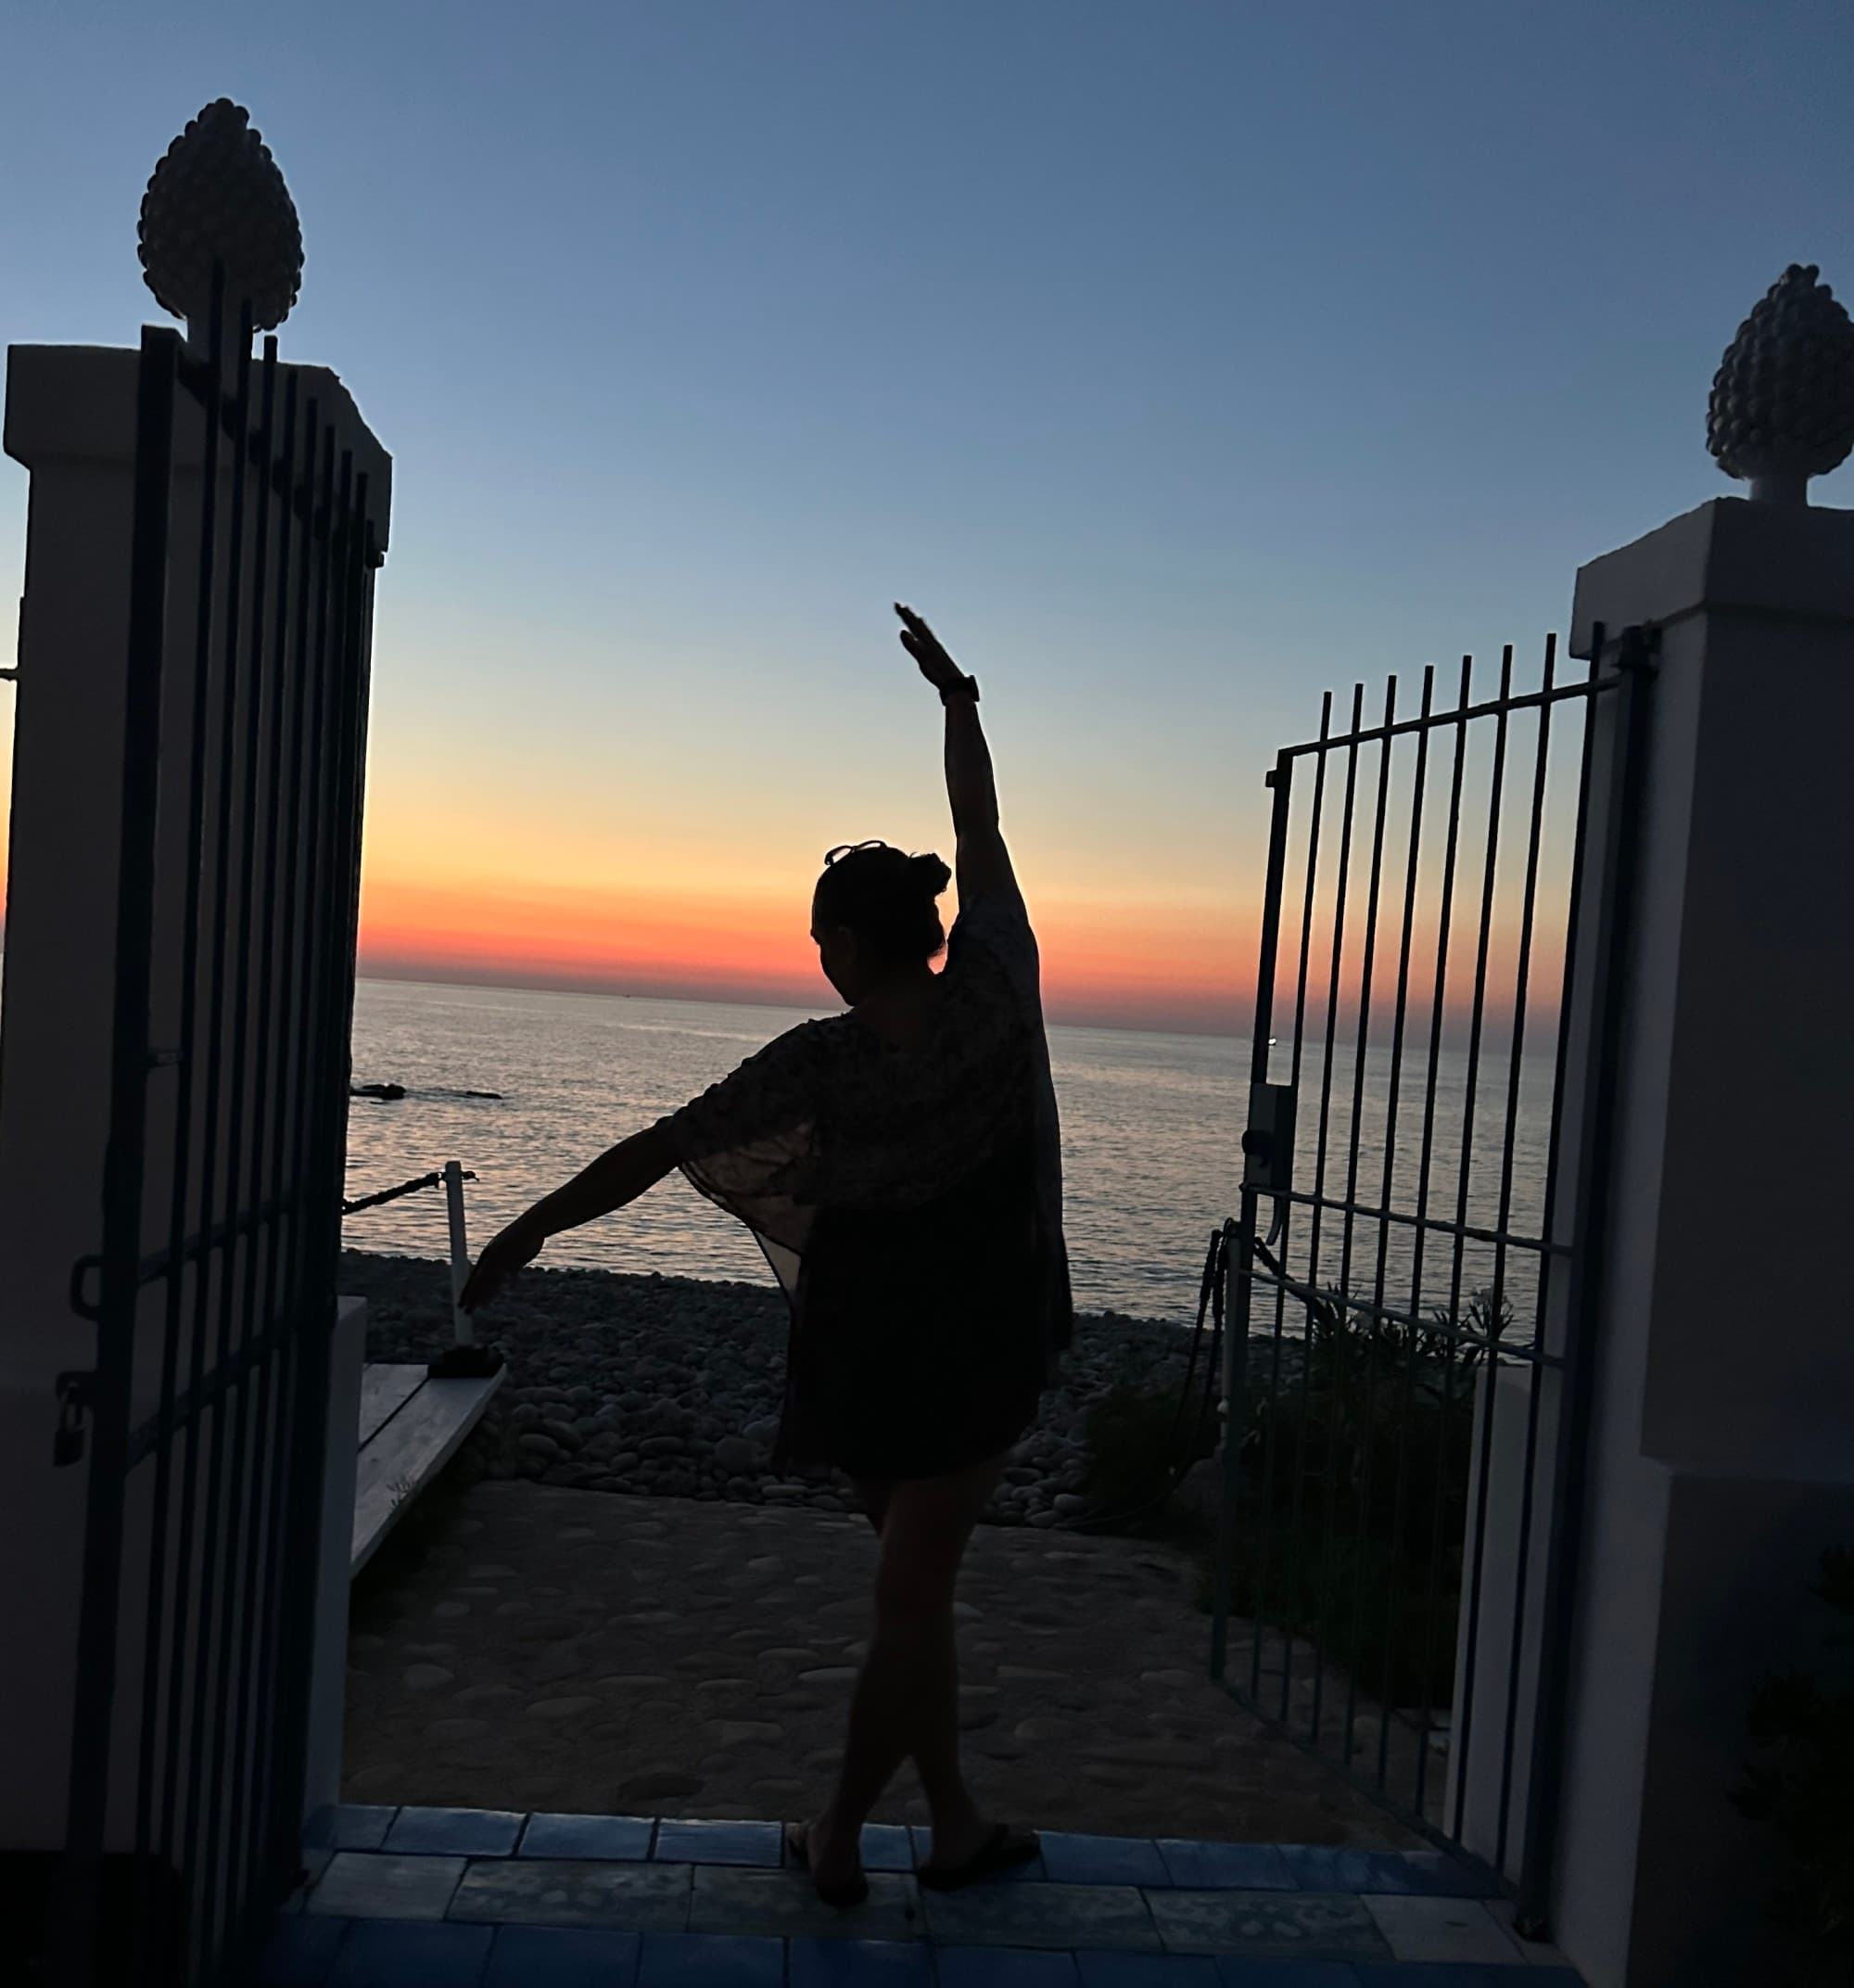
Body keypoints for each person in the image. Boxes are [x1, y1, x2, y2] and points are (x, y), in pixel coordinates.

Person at [460, 604, 1072, 1905]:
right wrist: (958, 701)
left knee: (911, 1597)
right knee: (917, 1599)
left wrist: (525, 1228)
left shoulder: (820, 1060)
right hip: (971, 1343)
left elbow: (656, 1146)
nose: (815, 955)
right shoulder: (996, 985)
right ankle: (950, 1824)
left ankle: (841, 1836)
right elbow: (984, 830)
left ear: (848, 947)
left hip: (874, 1352)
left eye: (817, 938)